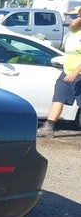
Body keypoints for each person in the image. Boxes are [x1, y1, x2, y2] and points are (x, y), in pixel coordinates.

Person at [38, 8, 81, 137]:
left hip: (78, 75)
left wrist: (75, 72)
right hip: (66, 73)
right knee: (58, 99)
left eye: (78, 16)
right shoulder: (73, 33)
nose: (75, 18)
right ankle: (49, 128)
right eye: (76, 16)